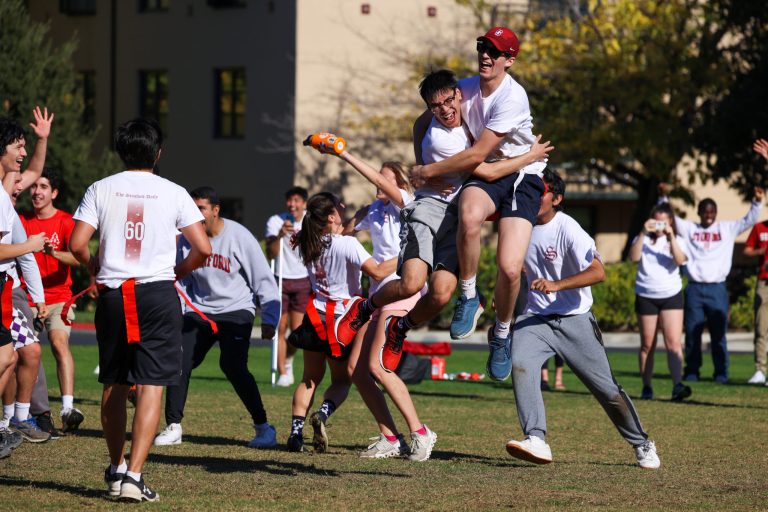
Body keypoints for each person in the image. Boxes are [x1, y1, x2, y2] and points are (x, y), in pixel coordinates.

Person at [334, 69, 551, 374]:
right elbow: (488, 172)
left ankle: (400, 327)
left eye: (449, 101)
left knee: (440, 294)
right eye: (436, 106)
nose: (445, 110)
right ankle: (364, 309)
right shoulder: (440, 134)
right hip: (429, 208)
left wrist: (424, 168)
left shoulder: (470, 121)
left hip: (457, 212)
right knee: (411, 283)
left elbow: (419, 125)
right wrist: (530, 157)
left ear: (458, 95)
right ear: (429, 107)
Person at [69, 119, 211, 502]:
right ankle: (134, 475)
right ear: (158, 152)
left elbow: (77, 241)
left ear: (120, 151)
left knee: (113, 382)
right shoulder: (174, 192)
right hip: (157, 293)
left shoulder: (101, 188)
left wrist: (93, 266)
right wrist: (178, 271)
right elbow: (204, 249)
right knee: (151, 384)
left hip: (115, 293)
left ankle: (116, 469)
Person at [408, 27, 549, 384]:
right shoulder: (464, 88)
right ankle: (469, 297)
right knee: (469, 216)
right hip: (487, 173)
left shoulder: (512, 98)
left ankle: (501, 333)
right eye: (483, 48)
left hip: (521, 174)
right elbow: (421, 121)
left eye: (496, 52)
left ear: (509, 61)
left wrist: (425, 170)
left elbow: (477, 156)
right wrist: (420, 162)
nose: (486, 55)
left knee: (511, 268)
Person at [505, 169, 660, 469]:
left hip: (574, 320)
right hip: (536, 318)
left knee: (608, 392)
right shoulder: (519, 225)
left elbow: (598, 272)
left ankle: (641, 442)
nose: (533, 196)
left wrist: (557, 285)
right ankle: (536, 439)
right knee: (520, 363)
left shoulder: (569, 228)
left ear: (557, 198)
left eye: (541, 191)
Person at [322, 146, 434, 459]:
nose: (378, 185)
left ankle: (421, 433)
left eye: (384, 181)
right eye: (377, 182)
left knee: (378, 365)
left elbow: (392, 193)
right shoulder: (375, 210)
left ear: (400, 185)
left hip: (405, 291)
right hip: (378, 296)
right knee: (357, 370)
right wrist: (338, 216)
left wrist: (344, 154)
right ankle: (390, 437)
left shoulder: (407, 205)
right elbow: (343, 232)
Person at [153, 186, 280, 448]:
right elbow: (180, 279)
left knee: (233, 366)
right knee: (179, 361)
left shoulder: (239, 236)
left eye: (200, 208)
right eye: (192, 208)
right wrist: (180, 310)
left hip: (236, 310)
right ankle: (174, 425)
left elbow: (264, 279)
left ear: (215, 210)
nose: (195, 214)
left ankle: (264, 428)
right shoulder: (188, 238)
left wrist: (269, 318)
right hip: (200, 311)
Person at [286, 192, 396, 455]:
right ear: (332, 215)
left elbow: (332, 232)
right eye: (338, 204)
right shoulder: (346, 244)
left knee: (309, 379)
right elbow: (379, 271)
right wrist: (411, 257)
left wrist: (355, 220)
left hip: (315, 317)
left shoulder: (306, 241)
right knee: (343, 380)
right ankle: (322, 414)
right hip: (342, 321)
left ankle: (294, 435)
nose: (344, 206)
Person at [660, 184, 764, 382]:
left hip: (717, 288)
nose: (709, 214)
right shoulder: (690, 228)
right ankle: (691, 371)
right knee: (692, 333)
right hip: (694, 288)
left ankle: (721, 373)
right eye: (705, 211)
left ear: (716, 213)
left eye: (712, 211)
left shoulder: (727, 228)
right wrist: (664, 198)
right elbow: (671, 218)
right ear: (699, 212)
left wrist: (757, 202)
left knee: (719, 335)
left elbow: (749, 219)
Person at [0, 109, 54, 458]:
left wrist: (42, 139)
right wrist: (31, 244)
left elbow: (33, 169)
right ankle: (11, 421)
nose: (22, 155)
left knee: (9, 357)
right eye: (17, 147)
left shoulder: (7, 195)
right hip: (5, 288)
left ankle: (12, 422)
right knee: (15, 355)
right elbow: (21, 251)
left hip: (6, 288)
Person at [20, 168, 84, 431]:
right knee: (25, 353)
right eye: (34, 187)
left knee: (59, 343)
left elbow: (78, 258)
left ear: (54, 193)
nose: (36, 192)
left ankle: (68, 409)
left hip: (59, 298)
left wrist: (53, 253)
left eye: (43, 187)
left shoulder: (66, 222)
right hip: (28, 298)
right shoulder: (22, 221)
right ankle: (24, 413)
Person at [629, 203, 691, 401]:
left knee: (673, 343)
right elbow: (633, 257)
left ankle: (677, 385)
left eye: (663, 221)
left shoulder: (678, 239)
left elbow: (680, 260)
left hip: (671, 294)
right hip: (646, 294)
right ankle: (647, 386)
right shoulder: (643, 239)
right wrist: (642, 232)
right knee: (647, 344)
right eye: (656, 221)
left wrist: (671, 236)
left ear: (671, 221)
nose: (659, 225)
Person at [265, 187, 310, 387]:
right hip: (280, 277)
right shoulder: (275, 221)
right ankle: (282, 372)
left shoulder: (311, 221)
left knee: (297, 331)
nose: (292, 205)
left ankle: (288, 361)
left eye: (297, 200)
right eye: (290, 200)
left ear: (304, 204)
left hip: (303, 279)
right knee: (280, 327)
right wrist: (280, 235)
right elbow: (271, 253)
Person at [744, 138, 768, 385]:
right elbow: (748, 251)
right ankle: (760, 369)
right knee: (761, 327)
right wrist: (760, 253)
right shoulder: (761, 227)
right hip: (764, 280)